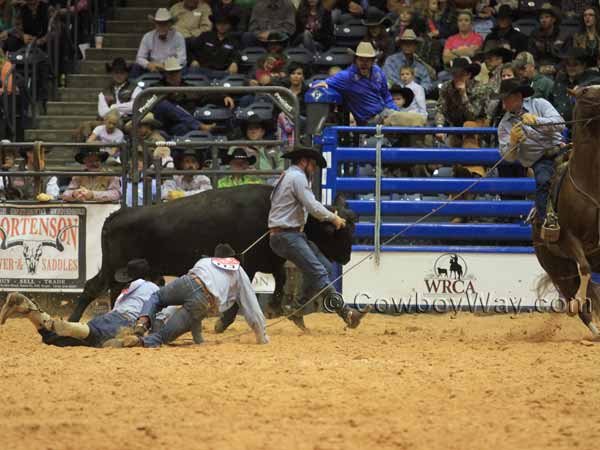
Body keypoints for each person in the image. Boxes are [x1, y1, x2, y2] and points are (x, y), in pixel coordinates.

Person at [268, 145, 368, 330]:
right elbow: (313, 207)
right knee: (319, 271)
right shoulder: (297, 177)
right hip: (287, 235)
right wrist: (334, 217)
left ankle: (296, 309)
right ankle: (346, 313)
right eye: (313, 164)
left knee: (324, 267)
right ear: (304, 162)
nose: (314, 169)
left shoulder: (288, 176)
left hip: (288, 234)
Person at [114, 244, 269, 348]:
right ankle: (140, 342)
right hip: (204, 300)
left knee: (156, 297)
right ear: (232, 258)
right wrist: (262, 337)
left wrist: (198, 340)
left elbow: (193, 301)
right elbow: (252, 307)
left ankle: (141, 324)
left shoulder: (205, 261)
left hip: (188, 281)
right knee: (163, 337)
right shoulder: (239, 271)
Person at [0, 259, 159, 348]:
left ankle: (30, 310)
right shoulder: (154, 290)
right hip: (126, 321)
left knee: (56, 339)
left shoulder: (125, 293)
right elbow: (160, 317)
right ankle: (71, 327)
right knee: (95, 336)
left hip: (109, 318)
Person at [497, 78, 565, 230]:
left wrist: (537, 121)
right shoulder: (504, 125)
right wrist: (513, 143)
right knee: (543, 181)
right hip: (540, 160)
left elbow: (560, 124)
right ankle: (544, 221)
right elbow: (508, 157)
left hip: (561, 149)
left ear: (518, 97)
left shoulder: (539, 104)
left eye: (506, 99)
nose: (504, 104)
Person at [312, 42, 399, 125]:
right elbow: (316, 84)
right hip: (370, 121)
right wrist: (324, 84)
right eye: (361, 59)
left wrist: (396, 111)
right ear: (355, 60)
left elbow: (386, 96)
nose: (364, 63)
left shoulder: (378, 71)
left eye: (368, 60)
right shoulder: (347, 76)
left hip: (386, 113)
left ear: (373, 61)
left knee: (407, 119)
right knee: (407, 121)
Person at [435, 57, 490, 144]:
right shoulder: (446, 87)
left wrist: (463, 95)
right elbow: (441, 109)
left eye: (461, 74)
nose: (457, 78)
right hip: (456, 125)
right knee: (450, 143)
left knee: (469, 126)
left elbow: (473, 116)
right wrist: (439, 126)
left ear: (469, 75)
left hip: (477, 124)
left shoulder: (481, 88)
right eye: (454, 74)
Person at [131, 8, 187, 78]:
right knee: (135, 67)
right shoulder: (147, 36)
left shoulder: (178, 36)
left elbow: (182, 59)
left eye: (165, 24)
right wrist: (148, 64)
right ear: (155, 24)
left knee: (182, 70)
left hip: (172, 69)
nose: (162, 26)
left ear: (170, 24)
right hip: (154, 69)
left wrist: (167, 65)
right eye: (159, 24)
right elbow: (139, 58)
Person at [188, 12, 240, 77]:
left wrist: (235, 63)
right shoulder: (205, 36)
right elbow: (192, 50)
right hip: (202, 71)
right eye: (219, 23)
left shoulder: (234, 41)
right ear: (215, 24)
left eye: (225, 23)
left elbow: (236, 55)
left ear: (230, 25)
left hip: (222, 73)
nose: (222, 26)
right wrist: (193, 60)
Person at [383, 29, 433, 95]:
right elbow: (390, 80)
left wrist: (418, 91)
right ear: (401, 45)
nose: (408, 45)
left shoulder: (420, 66)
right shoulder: (391, 61)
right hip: (396, 97)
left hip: (416, 98)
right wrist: (408, 91)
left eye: (411, 43)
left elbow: (427, 84)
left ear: (415, 46)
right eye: (405, 43)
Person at [528, 3, 567, 76]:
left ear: (554, 19)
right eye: (541, 18)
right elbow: (531, 56)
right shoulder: (534, 34)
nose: (543, 20)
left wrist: (555, 68)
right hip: (538, 69)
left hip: (558, 70)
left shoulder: (563, 35)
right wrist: (539, 68)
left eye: (547, 17)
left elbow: (566, 57)